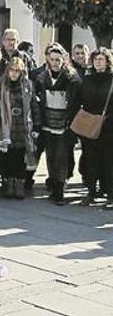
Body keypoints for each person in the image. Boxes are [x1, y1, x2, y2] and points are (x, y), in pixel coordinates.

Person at [34, 44, 81, 205]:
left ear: (64, 60)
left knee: (61, 157)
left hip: (64, 123)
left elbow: (75, 103)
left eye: (58, 59)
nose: (54, 62)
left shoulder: (72, 79)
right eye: (52, 59)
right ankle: (53, 186)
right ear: (47, 59)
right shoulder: (41, 77)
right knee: (50, 156)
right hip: (47, 121)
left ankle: (60, 190)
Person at [0, 57, 41, 199]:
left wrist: (37, 125)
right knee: (8, 155)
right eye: (12, 70)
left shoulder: (28, 85)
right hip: (6, 124)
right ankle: (8, 182)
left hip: (23, 124)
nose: (14, 73)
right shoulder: (1, 85)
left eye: (17, 71)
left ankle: (19, 183)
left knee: (21, 155)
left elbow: (34, 105)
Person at [73, 48, 113, 207]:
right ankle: (90, 192)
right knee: (90, 160)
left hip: (109, 128)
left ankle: (110, 194)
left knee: (109, 162)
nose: (98, 62)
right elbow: (79, 99)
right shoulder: (87, 79)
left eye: (102, 59)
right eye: (96, 59)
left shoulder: (111, 79)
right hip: (89, 126)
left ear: (108, 61)